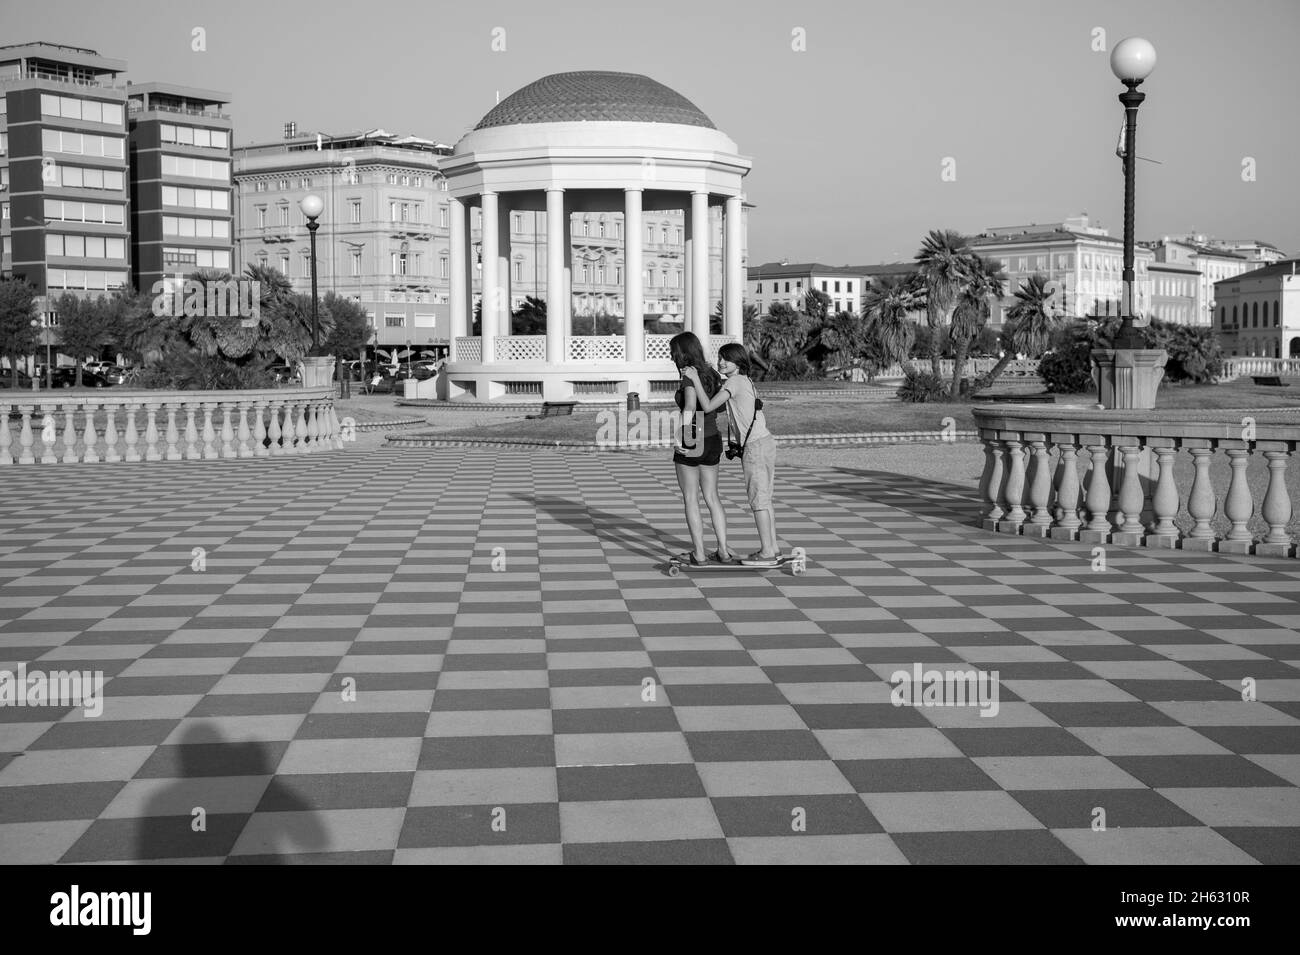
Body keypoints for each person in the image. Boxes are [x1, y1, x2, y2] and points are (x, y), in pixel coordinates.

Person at [680, 343, 779, 566]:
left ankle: (767, 553)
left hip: (754, 446)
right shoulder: (745, 381)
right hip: (765, 442)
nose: (721, 362)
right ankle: (772, 548)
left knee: (759, 501)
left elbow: (707, 407)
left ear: (739, 362)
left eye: (727, 359)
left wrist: (695, 379)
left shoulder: (734, 382)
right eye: (720, 357)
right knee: (765, 498)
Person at [669, 332, 735, 565]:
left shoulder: (689, 376)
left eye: (673, 353)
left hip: (693, 437)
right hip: (713, 438)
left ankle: (698, 553)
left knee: (690, 498)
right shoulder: (713, 374)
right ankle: (724, 550)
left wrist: (680, 438)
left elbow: (689, 407)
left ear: (681, 353)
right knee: (712, 497)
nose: (671, 358)